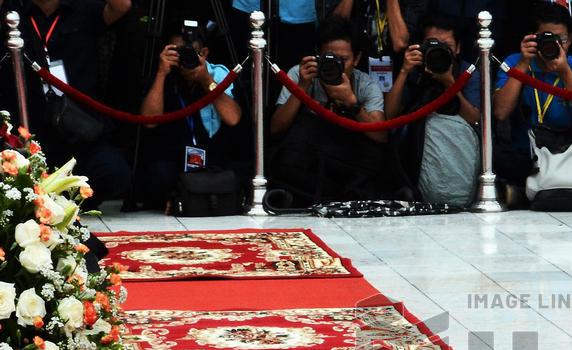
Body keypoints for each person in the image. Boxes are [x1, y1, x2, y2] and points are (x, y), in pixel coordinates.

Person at [0, 0, 133, 207]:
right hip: (29, 125)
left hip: (77, 125)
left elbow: (121, 6)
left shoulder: (83, 9)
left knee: (114, 172)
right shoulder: (12, 11)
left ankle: (69, 205)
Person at [269, 16, 387, 203]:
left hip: (345, 175)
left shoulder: (365, 85)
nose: (336, 66)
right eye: (329, 59)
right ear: (318, 56)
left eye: (343, 60)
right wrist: (302, 87)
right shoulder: (300, 74)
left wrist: (352, 103)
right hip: (303, 174)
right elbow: (275, 129)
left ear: (357, 59)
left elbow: (381, 136)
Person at [493, 1, 572, 195]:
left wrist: (565, 72)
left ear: (571, 40)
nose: (556, 45)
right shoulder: (513, 62)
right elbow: (500, 112)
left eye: (562, 39)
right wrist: (524, 63)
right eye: (547, 38)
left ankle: (522, 193)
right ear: (532, 38)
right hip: (529, 154)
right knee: (495, 157)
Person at [135, 24, 247, 210]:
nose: (185, 58)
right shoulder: (165, 73)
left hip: (214, 160)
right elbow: (150, 121)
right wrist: (162, 73)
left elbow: (233, 118)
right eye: (179, 52)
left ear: (204, 52)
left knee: (239, 172)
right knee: (157, 173)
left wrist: (206, 81)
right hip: (176, 159)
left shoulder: (218, 74)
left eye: (191, 52)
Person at [386, 13, 481, 206]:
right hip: (413, 149)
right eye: (432, 44)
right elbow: (390, 116)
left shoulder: (467, 71)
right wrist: (404, 71)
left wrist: (450, 84)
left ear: (459, 48)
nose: (439, 51)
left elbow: (475, 119)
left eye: (446, 46)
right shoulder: (415, 67)